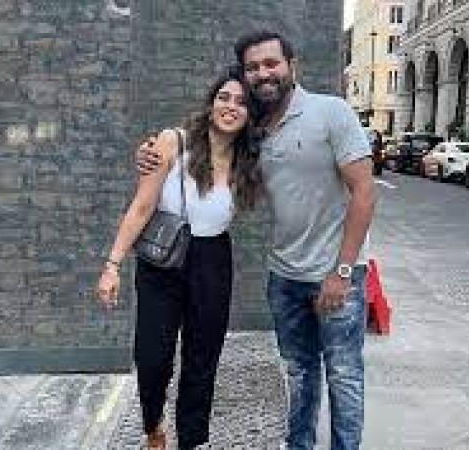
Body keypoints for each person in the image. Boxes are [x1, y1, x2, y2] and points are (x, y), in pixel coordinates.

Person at [137, 31, 376, 450]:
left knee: (343, 376)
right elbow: (202, 146)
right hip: (285, 275)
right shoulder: (253, 134)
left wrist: (342, 271)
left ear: (291, 66)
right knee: (299, 372)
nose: (263, 73)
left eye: (271, 63)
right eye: (253, 68)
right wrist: (150, 153)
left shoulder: (332, 112)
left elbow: (365, 192)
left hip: (337, 273)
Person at [97, 69, 262, 450]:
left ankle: (192, 440)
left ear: (250, 114)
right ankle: (153, 425)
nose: (231, 107)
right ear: (211, 102)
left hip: (213, 259)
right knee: (152, 356)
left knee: (202, 358)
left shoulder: (249, 160)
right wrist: (112, 266)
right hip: (164, 259)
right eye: (224, 97)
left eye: (241, 102)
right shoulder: (174, 141)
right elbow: (141, 207)